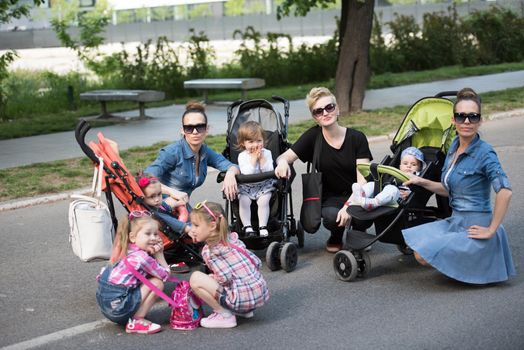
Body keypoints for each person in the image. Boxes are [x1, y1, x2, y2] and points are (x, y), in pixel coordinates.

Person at [402, 88, 515, 284]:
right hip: (456, 222)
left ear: (480, 120)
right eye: (461, 116)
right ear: (453, 120)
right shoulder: (454, 146)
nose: (467, 122)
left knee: (423, 255)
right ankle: (463, 262)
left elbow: (505, 192)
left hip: (475, 227)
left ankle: (477, 260)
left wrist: (491, 229)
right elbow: (449, 190)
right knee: (416, 248)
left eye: (473, 116)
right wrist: (421, 181)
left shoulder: (485, 153)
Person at [275, 87, 373, 253]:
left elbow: (363, 180)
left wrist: (349, 205)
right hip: (331, 197)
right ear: (315, 117)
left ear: (337, 108)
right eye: (318, 111)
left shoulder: (357, 138)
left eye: (329, 107)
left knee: (361, 217)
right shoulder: (313, 137)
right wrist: (283, 162)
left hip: (358, 193)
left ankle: (359, 232)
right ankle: (336, 234)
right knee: (330, 217)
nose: (325, 113)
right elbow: (283, 157)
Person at [144, 101, 240, 229]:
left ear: (207, 129)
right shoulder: (172, 152)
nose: (195, 132)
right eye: (189, 128)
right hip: (161, 207)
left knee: (214, 226)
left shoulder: (205, 152)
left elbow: (231, 166)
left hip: (182, 207)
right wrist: (173, 192)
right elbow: (145, 179)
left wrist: (230, 174)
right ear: (183, 130)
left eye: (200, 127)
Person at [188, 201, 269, 329]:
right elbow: (257, 263)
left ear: (212, 225)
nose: (192, 230)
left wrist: (213, 279)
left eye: (196, 225)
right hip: (259, 293)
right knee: (228, 277)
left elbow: (225, 277)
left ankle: (224, 316)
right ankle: (245, 310)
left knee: (196, 278)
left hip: (241, 298)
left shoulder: (210, 251)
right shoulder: (233, 239)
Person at [96, 211, 170, 334]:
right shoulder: (142, 257)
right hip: (119, 310)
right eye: (148, 234)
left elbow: (100, 277)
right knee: (157, 283)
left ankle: (130, 315)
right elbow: (165, 275)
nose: (153, 238)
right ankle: (137, 320)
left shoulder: (122, 250)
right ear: (133, 237)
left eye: (156, 234)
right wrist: (159, 255)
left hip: (106, 306)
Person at [135, 173, 191, 273]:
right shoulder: (153, 213)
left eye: (159, 194)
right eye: (151, 196)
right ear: (142, 197)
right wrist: (187, 228)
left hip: (173, 225)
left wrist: (177, 204)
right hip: (172, 230)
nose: (157, 199)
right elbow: (172, 222)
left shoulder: (158, 204)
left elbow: (166, 207)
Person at [351, 146, 426, 211]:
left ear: (419, 168)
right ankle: (361, 196)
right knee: (372, 184)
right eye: (405, 163)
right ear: (400, 166)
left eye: (413, 164)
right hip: (384, 193)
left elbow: (420, 190)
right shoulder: (395, 172)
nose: (409, 166)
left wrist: (409, 194)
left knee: (392, 189)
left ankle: (373, 203)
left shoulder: (418, 177)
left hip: (398, 198)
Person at [236, 121, 277, 237]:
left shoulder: (267, 153)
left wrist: (262, 160)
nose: (256, 145)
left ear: (263, 141)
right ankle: (247, 226)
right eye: (251, 142)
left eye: (259, 141)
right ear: (243, 143)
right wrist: (254, 160)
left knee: (264, 201)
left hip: (264, 185)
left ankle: (262, 226)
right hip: (247, 186)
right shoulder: (242, 156)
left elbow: (269, 170)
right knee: (243, 201)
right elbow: (246, 173)